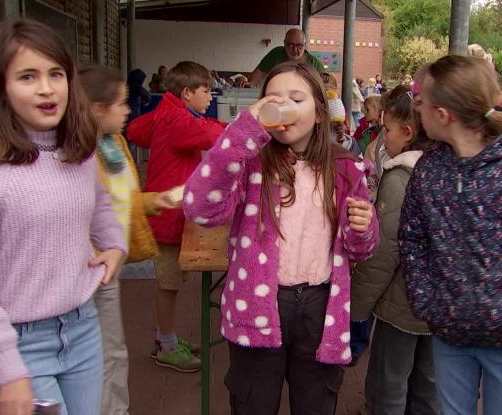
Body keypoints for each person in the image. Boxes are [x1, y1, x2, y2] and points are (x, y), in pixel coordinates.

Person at [182, 61, 380, 414]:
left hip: (320, 307)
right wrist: (240, 135)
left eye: (296, 98)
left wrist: (364, 227)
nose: (283, 106)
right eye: (273, 98)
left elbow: (360, 248)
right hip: (257, 304)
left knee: (316, 401)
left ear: (319, 113)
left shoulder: (346, 167)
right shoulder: (249, 161)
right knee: (253, 400)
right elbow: (200, 208)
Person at [399, 55, 502, 415]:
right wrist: (426, 299)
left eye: (422, 103)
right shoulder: (429, 170)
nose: (418, 110)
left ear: (444, 114)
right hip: (449, 331)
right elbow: (412, 239)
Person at [0, 19, 127, 415]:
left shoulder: (78, 153)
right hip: (18, 344)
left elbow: (100, 204)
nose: (47, 88)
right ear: (0, 86)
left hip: (83, 327)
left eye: (56, 74)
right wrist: (9, 369)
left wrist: (115, 244)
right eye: (27, 76)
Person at [79, 63, 183, 415]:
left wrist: (156, 200)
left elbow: (118, 200)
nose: (128, 109)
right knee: (93, 358)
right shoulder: (74, 157)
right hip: (82, 274)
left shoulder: (113, 143)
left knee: (112, 351)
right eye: (121, 104)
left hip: (107, 272)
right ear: (95, 109)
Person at [126, 61, 227, 372]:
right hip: (168, 215)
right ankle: (166, 345)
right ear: (187, 92)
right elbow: (210, 136)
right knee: (168, 284)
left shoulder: (165, 114)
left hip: (167, 212)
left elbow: (135, 130)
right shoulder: (179, 120)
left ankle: (164, 335)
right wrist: (241, 128)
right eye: (206, 91)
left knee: (170, 282)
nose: (210, 97)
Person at [351, 85, 439, 414]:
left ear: (407, 131)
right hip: (439, 306)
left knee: (388, 385)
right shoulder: (450, 168)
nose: (383, 136)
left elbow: (383, 254)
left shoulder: (401, 177)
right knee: (427, 386)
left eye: (386, 129)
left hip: (400, 304)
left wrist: (356, 307)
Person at [248, 28, 324, 86]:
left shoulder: (315, 64)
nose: (295, 49)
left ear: (305, 45)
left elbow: (326, 85)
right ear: (284, 44)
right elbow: (260, 71)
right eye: (291, 45)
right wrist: (250, 83)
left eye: (299, 45)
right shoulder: (276, 53)